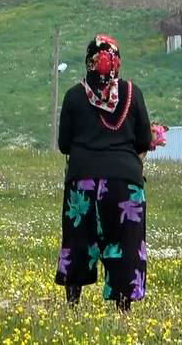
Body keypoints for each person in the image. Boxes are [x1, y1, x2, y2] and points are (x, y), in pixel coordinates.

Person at [56, 34, 155, 312]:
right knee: (124, 244)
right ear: (117, 63)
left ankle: (73, 305)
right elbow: (143, 140)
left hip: (82, 181)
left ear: (89, 62)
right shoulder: (134, 94)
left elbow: (64, 144)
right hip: (125, 184)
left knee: (78, 243)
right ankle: (123, 310)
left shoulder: (74, 96)